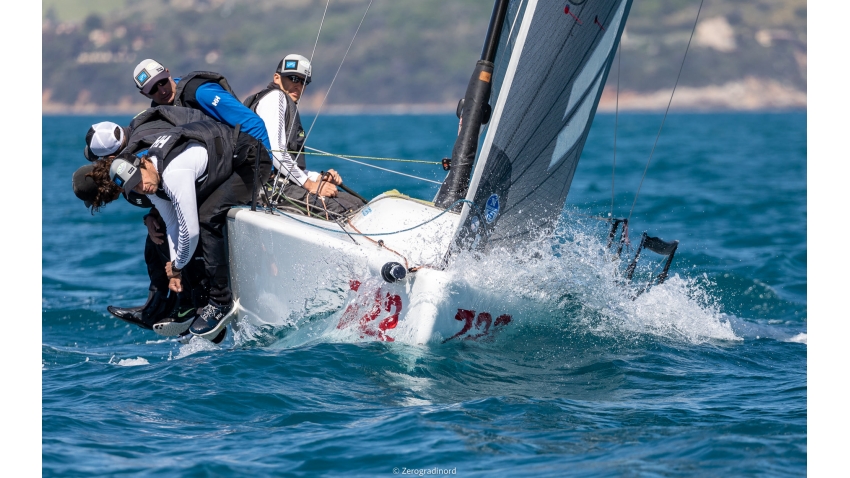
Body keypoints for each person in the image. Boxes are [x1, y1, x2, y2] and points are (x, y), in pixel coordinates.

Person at [85, 120, 272, 340]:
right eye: (133, 186)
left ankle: (220, 302)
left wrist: (176, 266)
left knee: (206, 218)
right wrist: (178, 269)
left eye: (139, 179)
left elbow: (190, 231)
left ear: (144, 162)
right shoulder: (151, 185)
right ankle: (200, 305)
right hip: (225, 169)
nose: (141, 187)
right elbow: (173, 223)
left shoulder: (174, 173)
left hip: (251, 162)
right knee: (180, 226)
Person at [75, 106, 217, 332]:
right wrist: (150, 216)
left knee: (169, 236)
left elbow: (166, 186)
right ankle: (162, 304)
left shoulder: (133, 160)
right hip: (188, 184)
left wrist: (177, 268)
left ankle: (191, 303)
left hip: (205, 175)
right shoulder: (131, 147)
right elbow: (160, 195)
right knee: (157, 235)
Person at [242, 54, 366, 217]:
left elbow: (284, 165)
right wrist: (310, 185)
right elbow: (277, 155)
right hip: (269, 191)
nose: (298, 85)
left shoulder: (280, 101)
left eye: (304, 81)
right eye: (293, 78)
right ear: (277, 78)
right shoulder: (276, 98)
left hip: (280, 187)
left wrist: (318, 178)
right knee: (350, 211)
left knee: (358, 204)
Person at [132, 58, 272, 155]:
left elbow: (253, 124)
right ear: (144, 94)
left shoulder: (200, 92)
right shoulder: (157, 112)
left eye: (162, 82)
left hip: (240, 157)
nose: (162, 90)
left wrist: (268, 171)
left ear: (168, 73)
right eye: (153, 89)